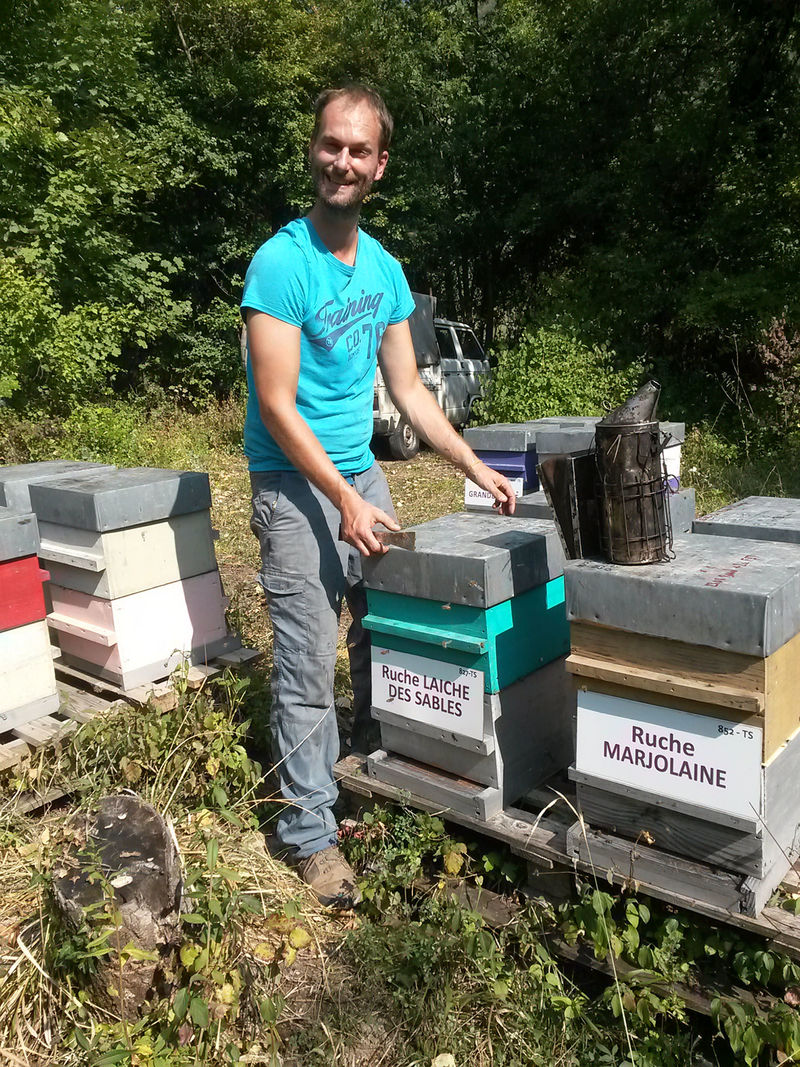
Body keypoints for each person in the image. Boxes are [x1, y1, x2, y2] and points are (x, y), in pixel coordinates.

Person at [241, 84, 516, 906]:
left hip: (361, 472)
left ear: (380, 166)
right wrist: (342, 499)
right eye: (331, 145)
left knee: (380, 632)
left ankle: (366, 766)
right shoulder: (281, 262)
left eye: (359, 151)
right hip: (294, 482)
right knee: (304, 660)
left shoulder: (388, 269)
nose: (342, 162)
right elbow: (277, 404)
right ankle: (309, 833)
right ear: (313, 150)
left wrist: (473, 464)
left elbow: (412, 392)